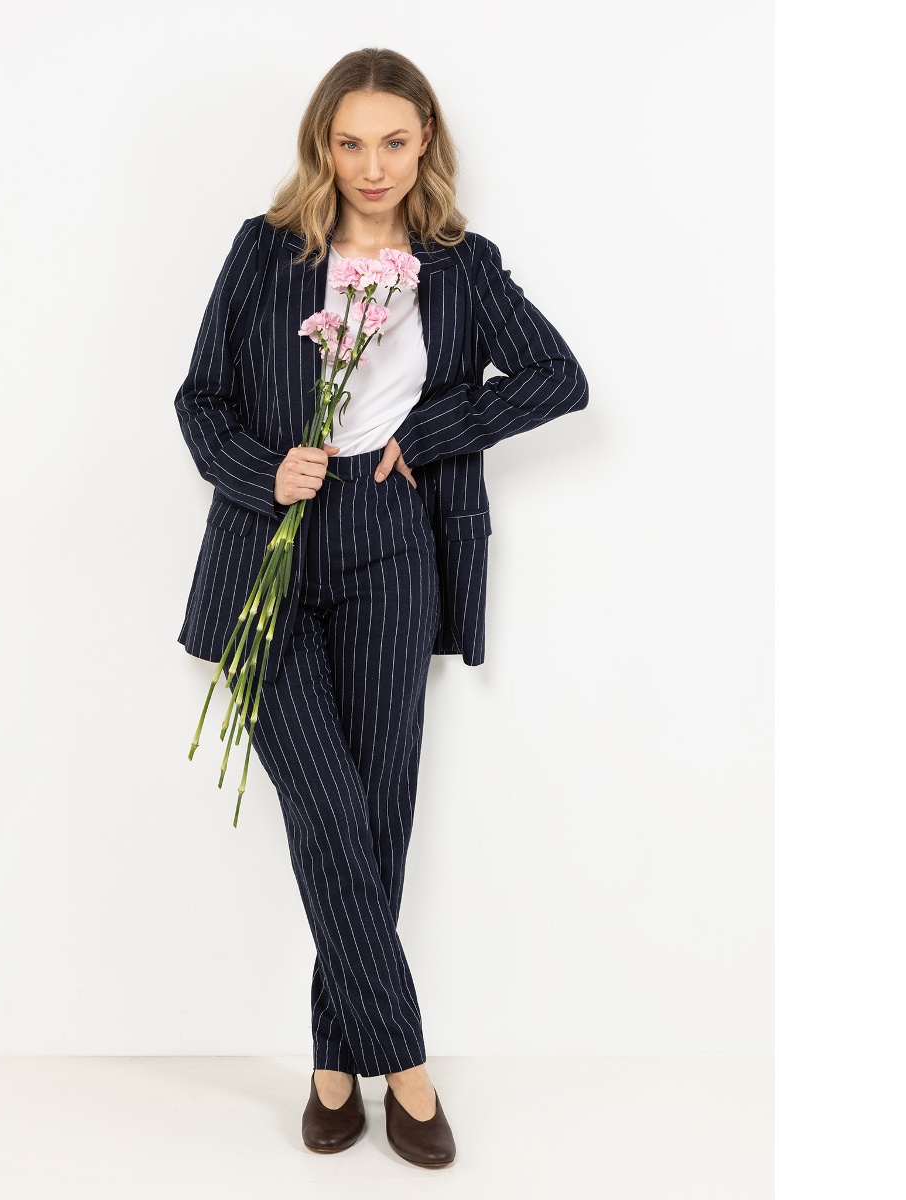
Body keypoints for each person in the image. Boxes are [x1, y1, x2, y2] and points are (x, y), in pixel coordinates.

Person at [173, 47, 588, 1168]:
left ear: (424, 143)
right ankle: (405, 1070)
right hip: (268, 545)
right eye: (351, 142)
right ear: (324, 142)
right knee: (325, 809)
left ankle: (329, 1066)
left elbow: (558, 377)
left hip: (393, 544)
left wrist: (431, 432)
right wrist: (265, 471)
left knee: (375, 818)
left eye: (393, 142)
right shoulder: (267, 250)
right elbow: (200, 397)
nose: (371, 166)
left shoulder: (459, 265)